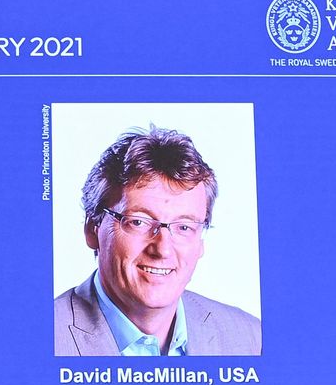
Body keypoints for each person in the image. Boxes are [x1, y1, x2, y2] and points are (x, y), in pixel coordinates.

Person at [55, 125, 261, 357]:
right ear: (92, 228)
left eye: (184, 226)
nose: (162, 249)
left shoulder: (251, 339)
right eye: (139, 222)